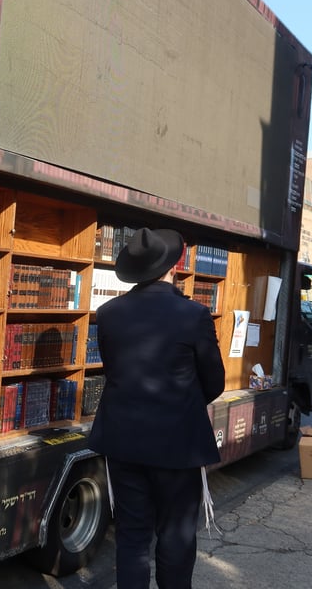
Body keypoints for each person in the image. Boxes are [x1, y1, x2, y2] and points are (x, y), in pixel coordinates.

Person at [89, 227, 225, 589]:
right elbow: (215, 383)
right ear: (174, 268)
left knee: (132, 537)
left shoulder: (108, 313)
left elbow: (113, 371)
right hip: (177, 444)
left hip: (123, 441)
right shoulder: (194, 314)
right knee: (176, 537)